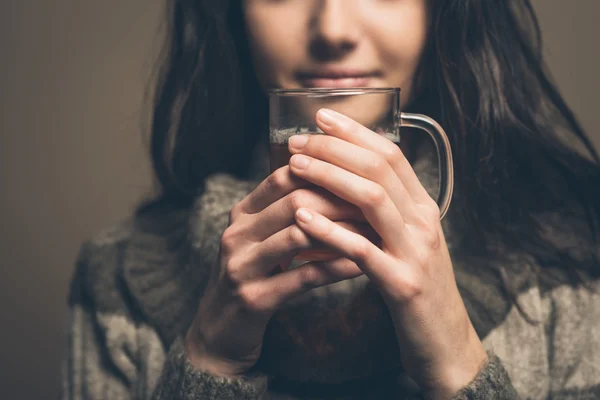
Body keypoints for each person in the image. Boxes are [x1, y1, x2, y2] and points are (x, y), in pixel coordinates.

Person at [61, 0, 600, 399]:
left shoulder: (572, 267)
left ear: (442, 12)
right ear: (231, 15)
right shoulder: (115, 283)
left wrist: (460, 364)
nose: (334, 30)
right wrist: (208, 359)